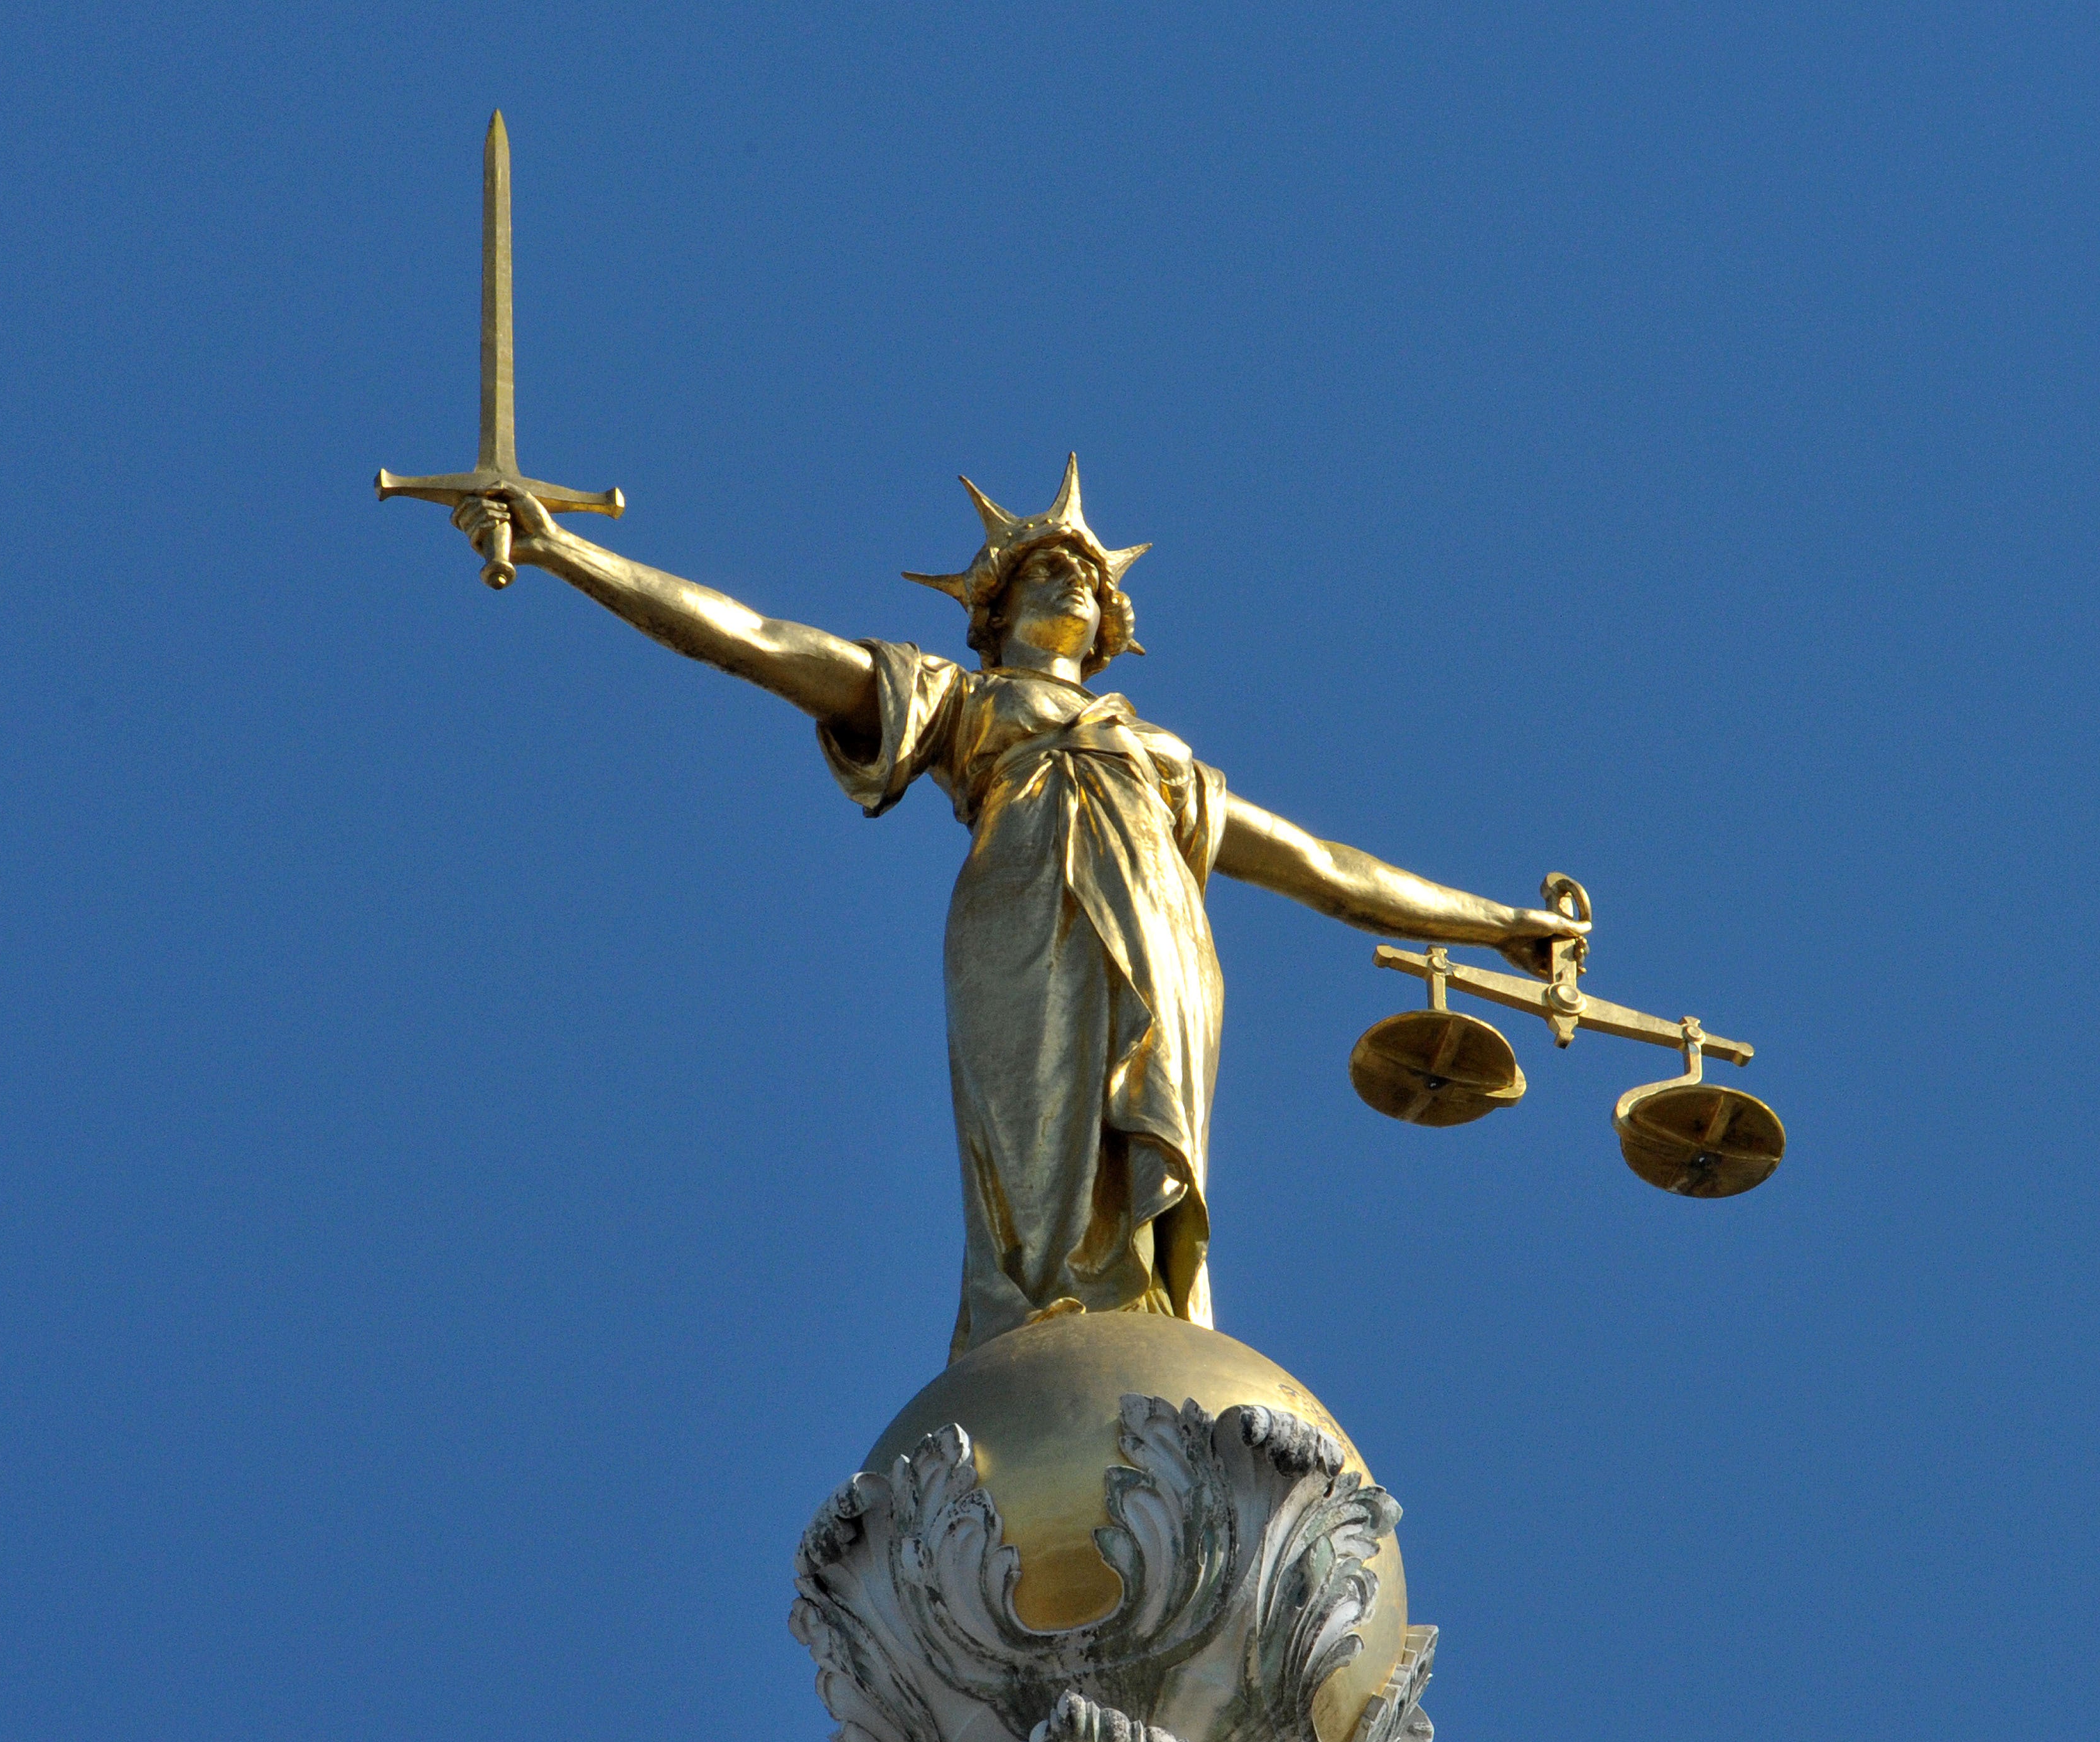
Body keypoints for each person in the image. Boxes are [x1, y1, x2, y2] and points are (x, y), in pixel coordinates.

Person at [448, 458, 1584, 1360]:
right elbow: (758, 642)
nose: (1071, 585)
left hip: (1167, 949)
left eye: (1088, 582)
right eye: (1044, 573)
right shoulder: (965, 706)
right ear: (990, 617)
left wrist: (1500, 927)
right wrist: (567, 552)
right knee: (1034, 1153)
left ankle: (1146, 1318)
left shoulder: (1165, 760)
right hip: (1023, 926)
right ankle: (1032, 1325)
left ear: (1111, 626)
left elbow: (1328, 870)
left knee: (1151, 1153)